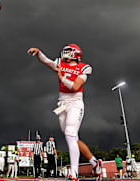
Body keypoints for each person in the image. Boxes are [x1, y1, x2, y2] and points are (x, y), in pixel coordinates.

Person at [28, 44, 103, 181]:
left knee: (70, 133)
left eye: (69, 51)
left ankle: (74, 173)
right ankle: (94, 162)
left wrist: (62, 78)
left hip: (75, 102)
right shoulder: (60, 63)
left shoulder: (84, 68)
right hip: (62, 103)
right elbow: (47, 61)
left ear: (76, 54)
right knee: (72, 137)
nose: (66, 53)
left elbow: (75, 87)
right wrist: (39, 53)